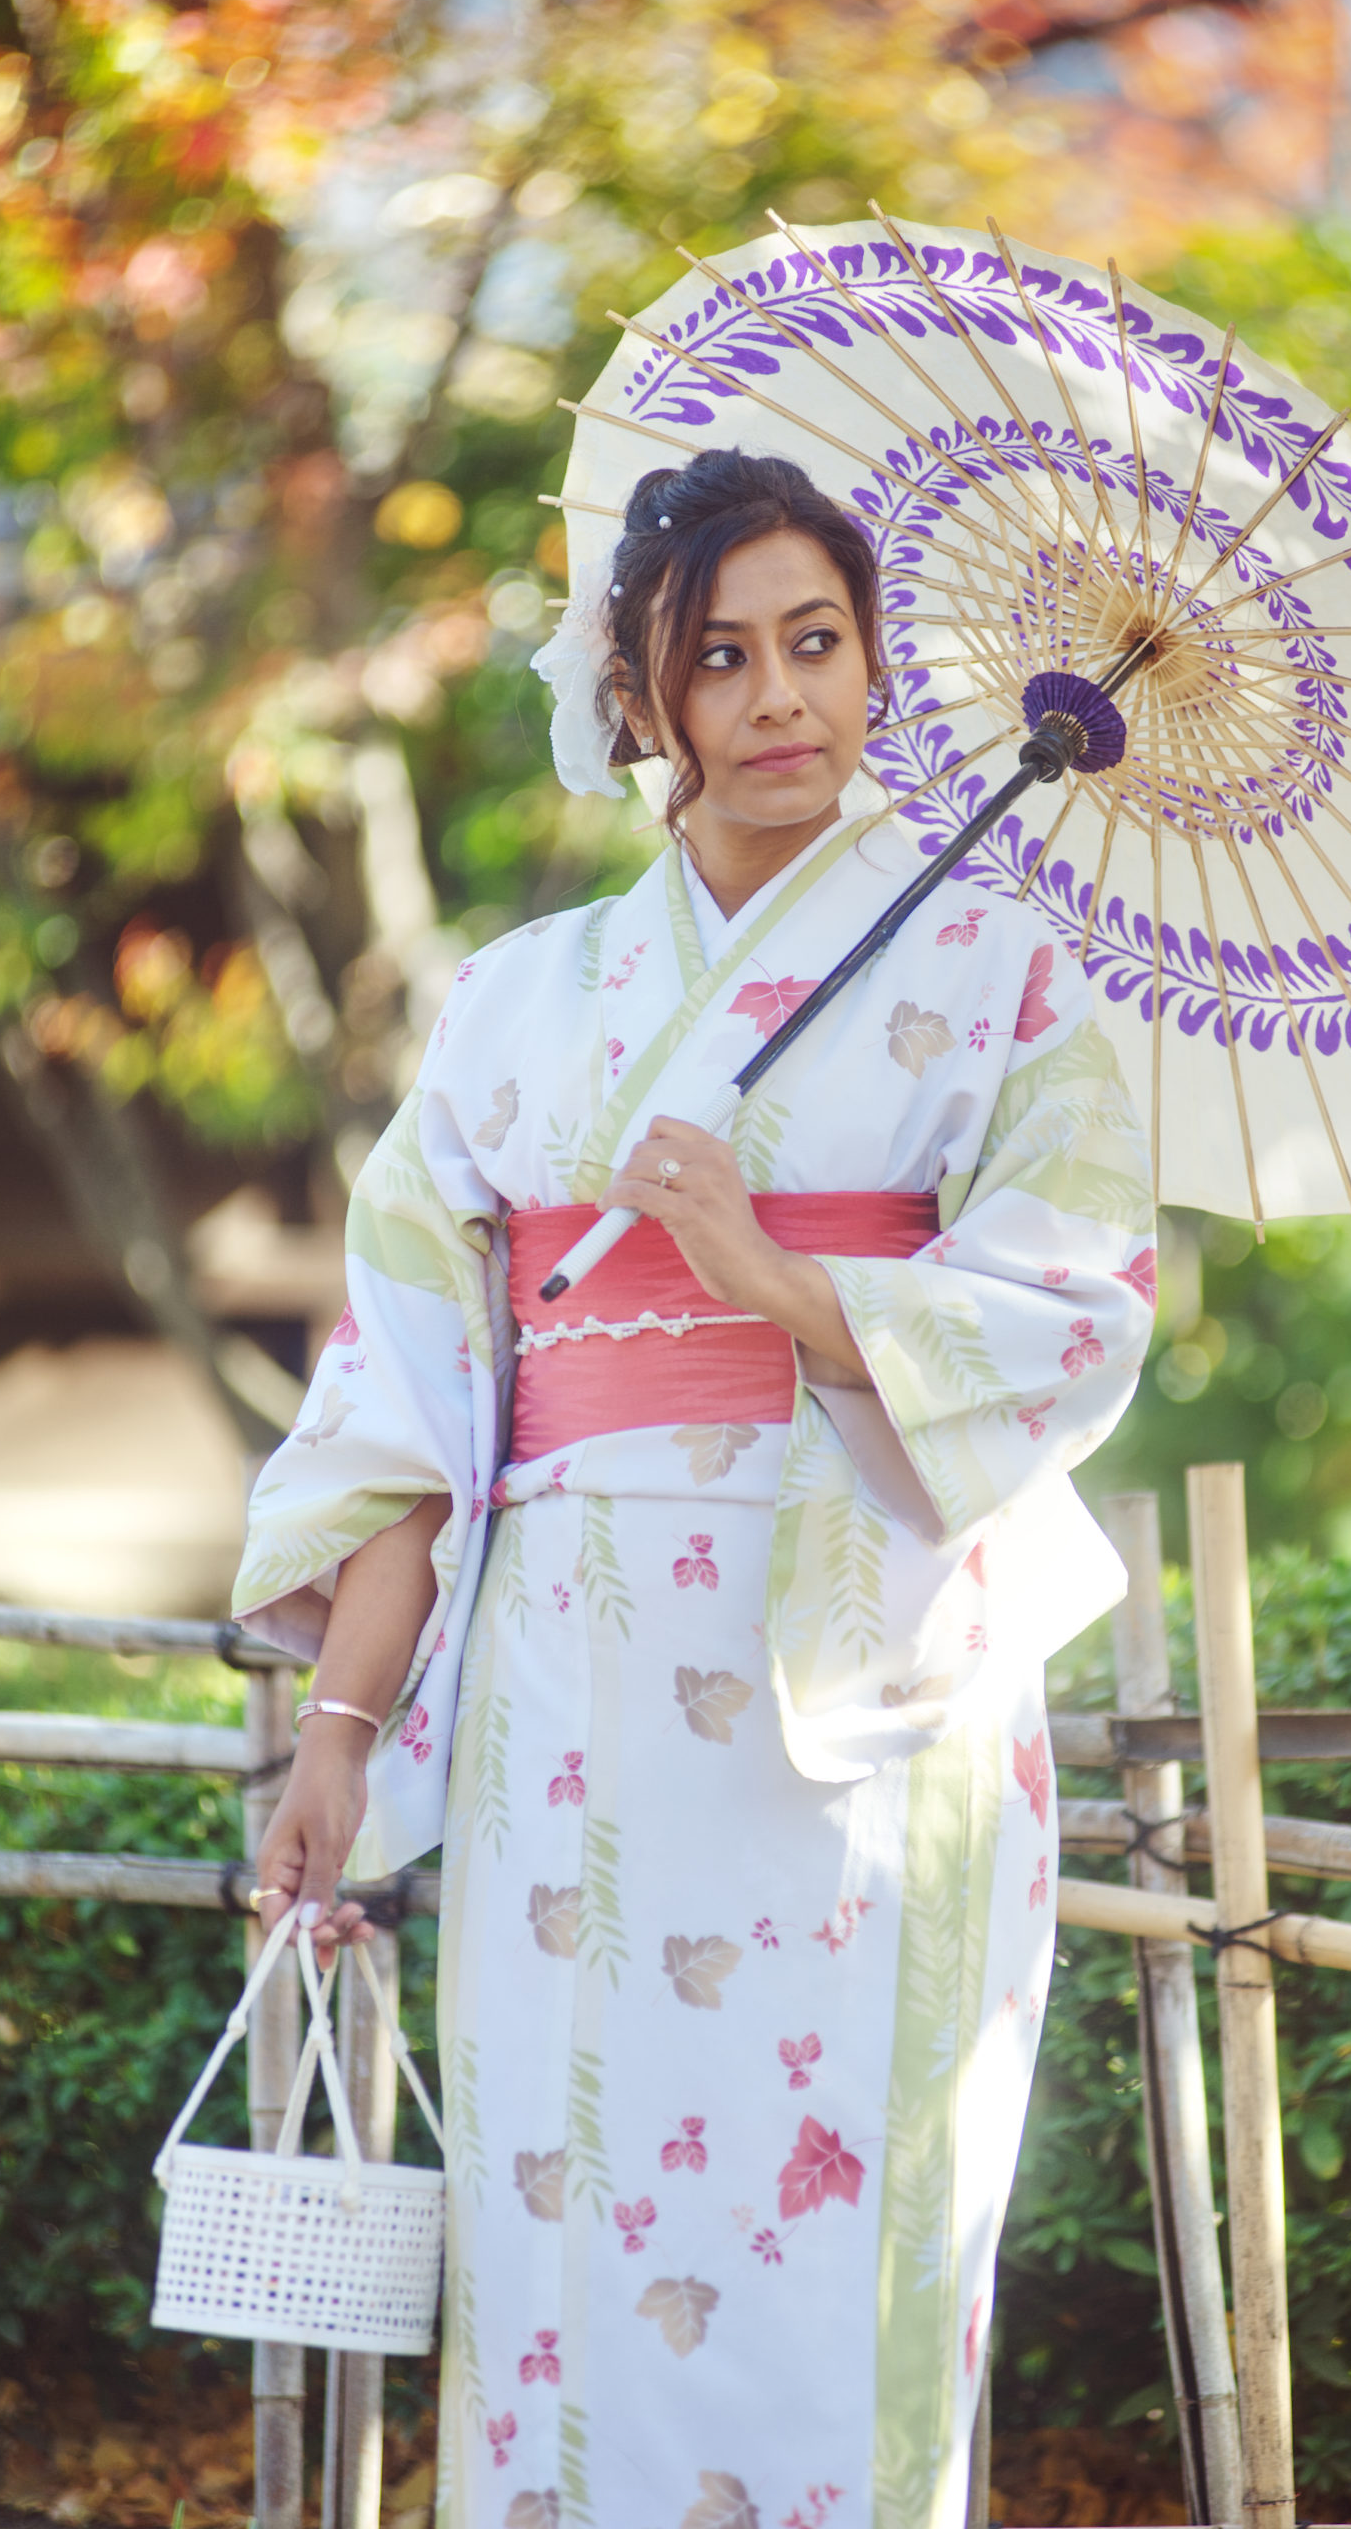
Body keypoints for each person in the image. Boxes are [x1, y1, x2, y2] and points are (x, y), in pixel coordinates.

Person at [237, 447, 1156, 2529]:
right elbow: (416, 1403)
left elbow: (1081, 1314)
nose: (777, 697)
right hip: (570, 1681)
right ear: (637, 698)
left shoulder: (1005, 973)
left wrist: (778, 1275)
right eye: (718, 657)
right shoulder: (516, 998)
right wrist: (342, 1727)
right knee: (566, 2220)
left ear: (876, 663)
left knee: (843, 2234)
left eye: (815, 642)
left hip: (864, 1670)